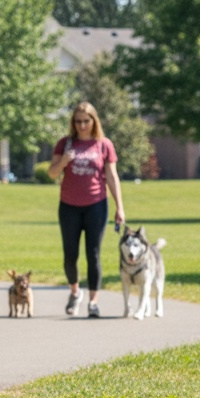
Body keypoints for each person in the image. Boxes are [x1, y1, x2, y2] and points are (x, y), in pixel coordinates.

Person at [47, 101, 126, 318]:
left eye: (86, 121)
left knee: (94, 254)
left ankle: (93, 301)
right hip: (69, 206)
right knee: (70, 255)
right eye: (78, 121)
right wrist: (64, 161)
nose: (82, 126)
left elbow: (111, 176)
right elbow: (52, 173)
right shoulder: (65, 144)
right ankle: (75, 291)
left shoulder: (104, 145)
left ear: (94, 121)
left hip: (96, 205)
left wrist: (120, 207)